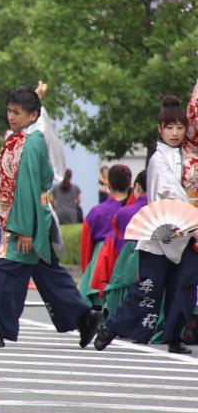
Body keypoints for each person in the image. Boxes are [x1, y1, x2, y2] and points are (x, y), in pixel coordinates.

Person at [0, 83, 101, 349]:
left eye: (18, 112)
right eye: (10, 111)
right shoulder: (24, 136)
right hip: (24, 216)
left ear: (33, 115)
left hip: (25, 220)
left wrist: (24, 229)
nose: (11, 116)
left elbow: (28, 187)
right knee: (48, 273)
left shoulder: (30, 143)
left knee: (5, 273)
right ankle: (84, 317)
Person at [95, 95, 198, 354]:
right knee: (149, 289)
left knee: (183, 286)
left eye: (180, 127)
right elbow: (165, 192)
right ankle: (112, 327)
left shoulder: (189, 156)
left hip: (188, 232)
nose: (175, 133)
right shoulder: (158, 158)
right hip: (162, 231)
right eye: (169, 127)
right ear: (160, 129)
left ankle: (175, 336)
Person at [93, 170, 147, 316]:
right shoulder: (160, 211)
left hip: (123, 261)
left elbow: (88, 244)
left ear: (137, 187)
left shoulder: (120, 213)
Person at [78, 164, 132, 307]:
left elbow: (86, 248)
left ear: (108, 184)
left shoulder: (96, 212)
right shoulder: (132, 211)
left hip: (99, 264)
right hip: (126, 264)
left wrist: (87, 274)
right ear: (130, 184)